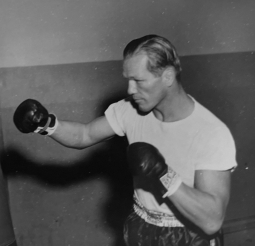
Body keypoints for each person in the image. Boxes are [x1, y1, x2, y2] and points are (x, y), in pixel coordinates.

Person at [13, 34, 237, 246]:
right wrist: (46, 124)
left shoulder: (210, 132)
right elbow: (84, 134)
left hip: (189, 235)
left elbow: (211, 221)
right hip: (141, 225)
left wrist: (164, 174)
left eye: (138, 80)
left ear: (168, 76)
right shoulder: (130, 111)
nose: (130, 90)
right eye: (128, 80)